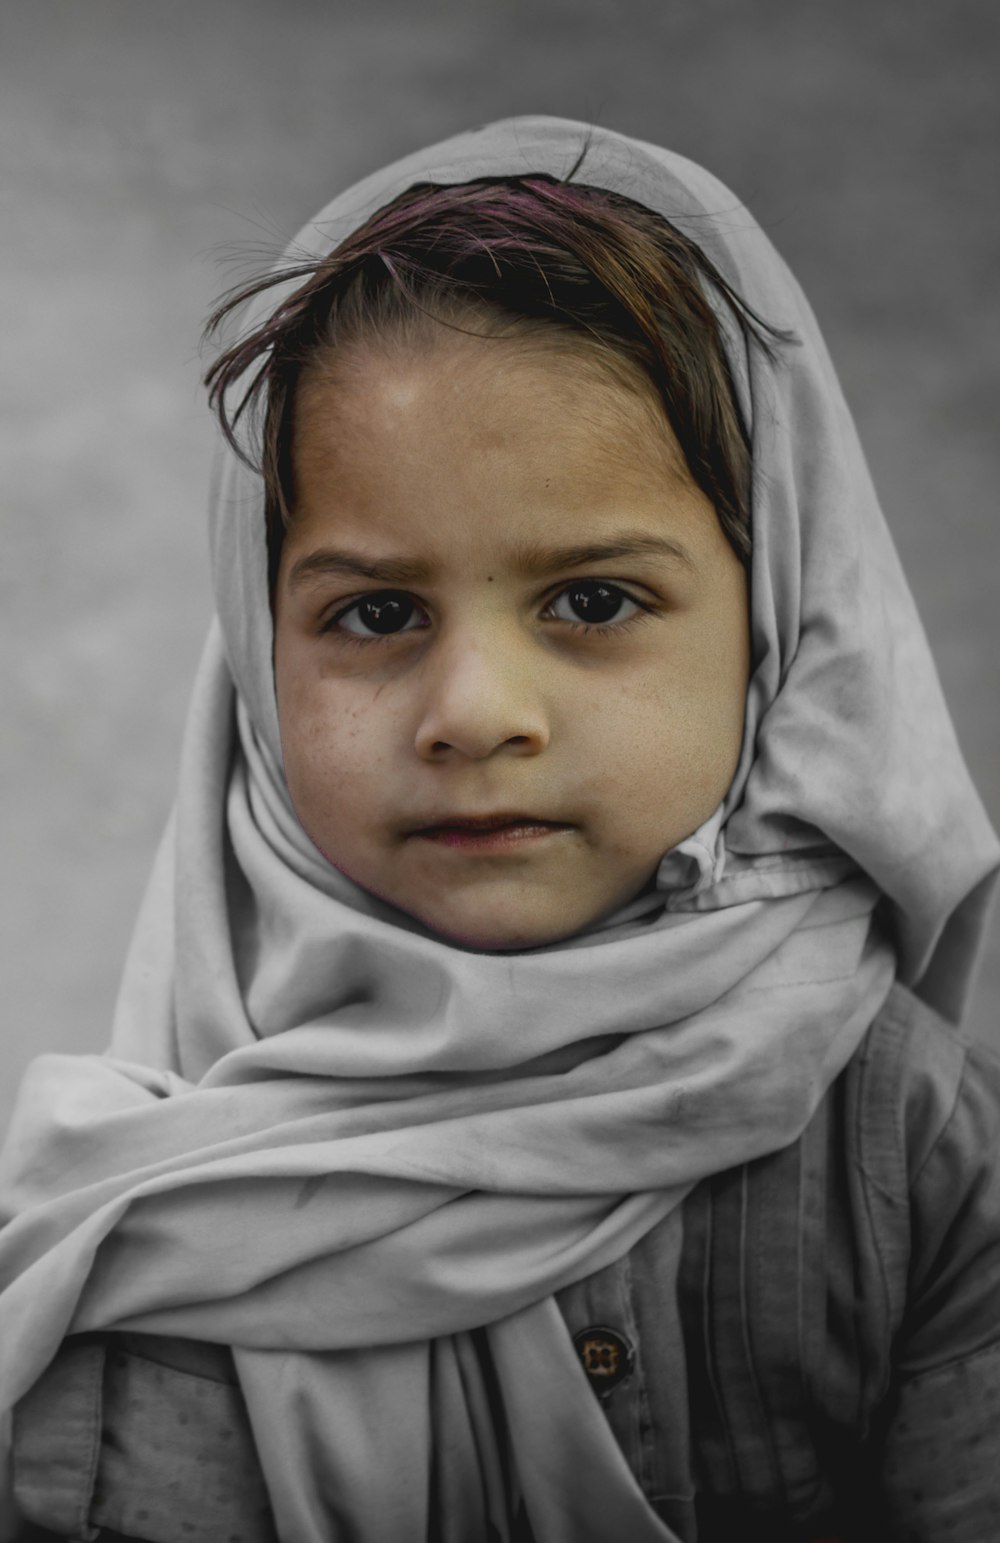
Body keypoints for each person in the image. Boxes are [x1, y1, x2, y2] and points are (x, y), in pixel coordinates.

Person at [0, 115, 997, 1543]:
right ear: (259, 668)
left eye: (592, 601)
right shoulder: (143, 1216)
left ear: (776, 628)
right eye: (378, 614)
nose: (473, 711)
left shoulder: (914, 1157)